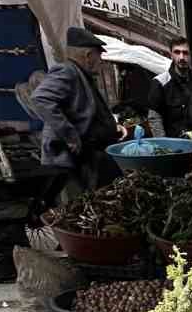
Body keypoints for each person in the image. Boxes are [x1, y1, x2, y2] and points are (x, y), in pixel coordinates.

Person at [31, 26, 126, 196]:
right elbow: (41, 98)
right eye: (100, 56)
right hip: (79, 157)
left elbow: (87, 110)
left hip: (94, 154)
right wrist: (70, 135)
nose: (102, 61)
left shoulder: (82, 75)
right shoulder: (67, 71)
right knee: (88, 201)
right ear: (89, 56)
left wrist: (113, 127)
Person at [143, 37, 192, 138]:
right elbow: (154, 118)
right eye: (177, 52)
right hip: (174, 144)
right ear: (171, 54)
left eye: (185, 53)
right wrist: (164, 145)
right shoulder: (160, 82)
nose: (181, 57)